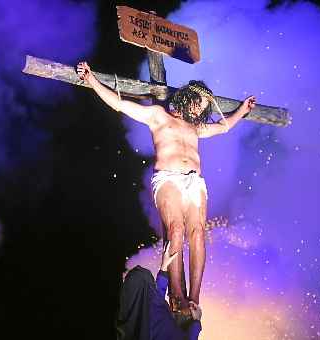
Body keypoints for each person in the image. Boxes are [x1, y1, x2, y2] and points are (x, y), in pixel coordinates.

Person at [77, 61, 256, 318]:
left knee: (197, 234)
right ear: (188, 98)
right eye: (198, 104)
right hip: (168, 178)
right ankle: (178, 295)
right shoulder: (159, 116)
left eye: (203, 109)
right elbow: (120, 104)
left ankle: (194, 298)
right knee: (176, 229)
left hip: (194, 181)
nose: (199, 110)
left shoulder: (196, 127)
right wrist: (92, 79)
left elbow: (224, 127)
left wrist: (242, 110)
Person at [117, 242, 203, 340]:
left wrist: (164, 267)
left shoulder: (136, 313)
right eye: (150, 285)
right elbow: (156, 298)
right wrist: (196, 322)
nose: (152, 288)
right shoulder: (149, 310)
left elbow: (156, 297)